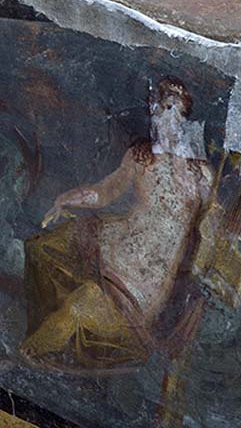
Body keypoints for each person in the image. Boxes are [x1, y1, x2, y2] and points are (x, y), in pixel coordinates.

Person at [20, 77, 214, 368]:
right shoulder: (141, 157)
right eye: (157, 111)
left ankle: (27, 356)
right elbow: (105, 191)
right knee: (44, 247)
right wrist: (66, 197)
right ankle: (38, 330)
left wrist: (204, 273)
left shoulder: (203, 175)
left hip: (145, 278)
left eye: (170, 110)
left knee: (78, 306)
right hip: (114, 242)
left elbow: (208, 232)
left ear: (184, 117)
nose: (162, 119)